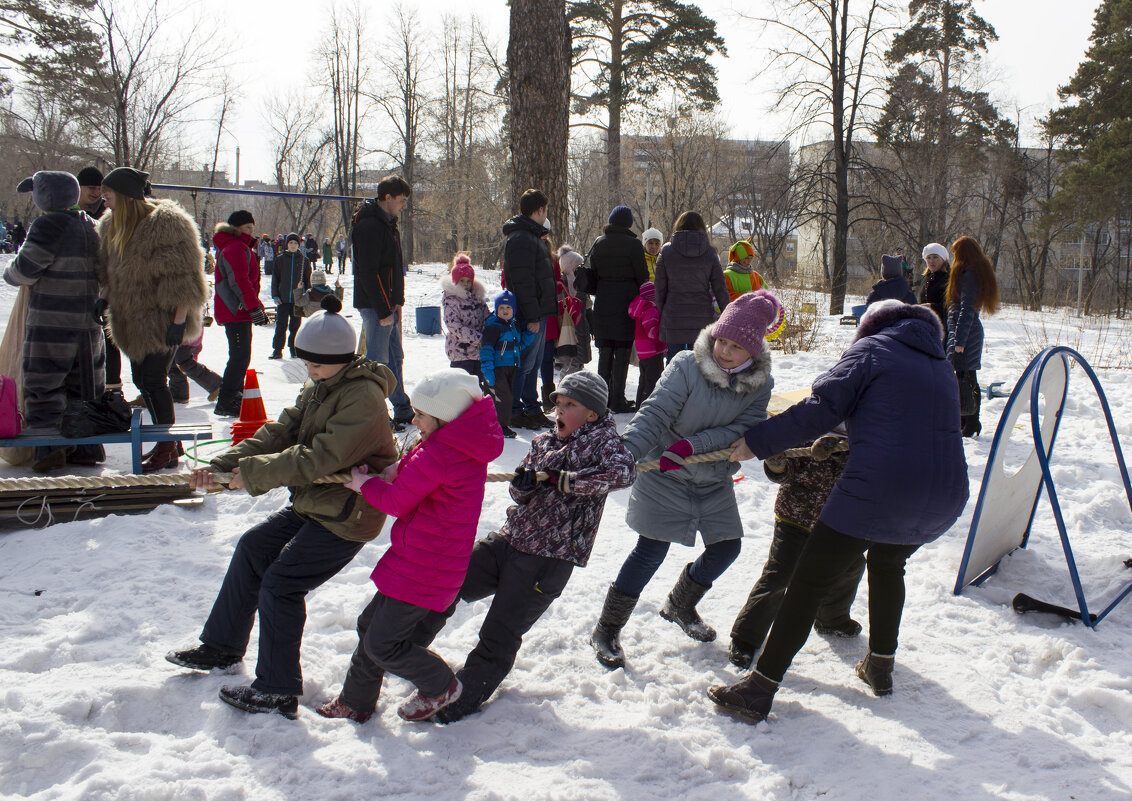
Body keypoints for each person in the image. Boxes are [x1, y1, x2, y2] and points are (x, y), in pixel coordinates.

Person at [707, 299, 969, 723]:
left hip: (880, 488)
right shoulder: (939, 365)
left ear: (871, 325)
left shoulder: (871, 350)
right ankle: (880, 666)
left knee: (808, 583)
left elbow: (821, 407)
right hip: (945, 495)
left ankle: (759, 690)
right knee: (888, 566)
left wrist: (759, 442)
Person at [166, 296, 400, 719]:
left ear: (341, 359)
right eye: (306, 365)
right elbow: (281, 431)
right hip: (316, 502)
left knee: (281, 583)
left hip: (347, 515)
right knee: (254, 547)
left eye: (315, 366)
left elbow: (318, 459)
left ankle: (277, 689)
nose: (308, 373)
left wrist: (252, 475)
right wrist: (226, 463)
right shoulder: (322, 385)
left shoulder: (362, 399)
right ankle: (222, 647)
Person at [408, 372, 635, 722]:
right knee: (446, 586)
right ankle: (408, 652)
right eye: (558, 403)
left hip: (549, 559)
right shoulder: (544, 440)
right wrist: (525, 484)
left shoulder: (603, 443)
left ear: (592, 414)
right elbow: (518, 490)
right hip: (509, 540)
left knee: (500, 630)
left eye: (570, 405)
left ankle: (464, 696)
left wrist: (566, 480)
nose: (559, 410)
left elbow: (623, 474)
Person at [591, 291, 781, 670]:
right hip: (665, 470)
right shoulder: (686, 365)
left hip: (711, 476)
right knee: (651, 550)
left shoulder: (761, 384)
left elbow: (745, 428)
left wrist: (693, 445)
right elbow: (656, 413)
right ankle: (607, 628)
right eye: (721, 340)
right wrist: (626, 453)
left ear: (754, 351)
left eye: (736, 346)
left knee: (727, 548)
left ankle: (680, 603)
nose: (724, 351)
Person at [316, 369, 504, 723]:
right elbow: (422, 479)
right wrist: (396, 471)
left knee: (382, 643)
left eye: (420, 414)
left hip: (425, 567)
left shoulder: (442, 453)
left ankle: (441, 685)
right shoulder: (451, 444)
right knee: (369, 625)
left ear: (444, 416)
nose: (414, 419)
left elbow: (397, 503)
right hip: (419, 558)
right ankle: (356, 700)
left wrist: (363, 485)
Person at [95, 167, 207, 472]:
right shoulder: (111, 226)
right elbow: (108, 271)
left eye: (109, 196)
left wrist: (178, 321)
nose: (105, 202)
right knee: (143, 380)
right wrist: (102, 300)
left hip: (161, 317)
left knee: (155, 380)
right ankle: (169, 444)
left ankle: (166, 445)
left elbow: (184, 278)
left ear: (126, 197)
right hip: (130, 319)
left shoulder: (167, 223)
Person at [727, 431, 865, 670]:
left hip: (836, 519)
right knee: (780, 574)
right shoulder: (809, 422)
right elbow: (785, 471)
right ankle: (745, 637)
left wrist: (843, 451)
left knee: (852, 566)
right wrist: (777, 463)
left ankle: (831, 618)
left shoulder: (863, 427)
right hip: (795, 516)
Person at [4, 171, 104, 471]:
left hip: (52, 322)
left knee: (43, 385)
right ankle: (85, 449)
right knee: (84, 386)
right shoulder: (91, 225)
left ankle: (49, 449)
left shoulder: (48, 225)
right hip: (88, 324)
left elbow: (24, 270)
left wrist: (9, 271)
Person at [352, 175, 413, 427]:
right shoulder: (369, 225)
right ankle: (374, 415)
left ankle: (401, 406)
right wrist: (383, 308)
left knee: (394, 357)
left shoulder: (388, 224)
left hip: (389, 304)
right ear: (386, 198)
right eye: (401, 200)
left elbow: (394, 267)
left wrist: (397, 300)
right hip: (376, 305)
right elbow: (368, 271)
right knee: (377, 362)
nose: (404, 205)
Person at [501, 188, 557, 430]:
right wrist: (532, 315)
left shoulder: (532, 237)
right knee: (524, 364)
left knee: (533, 364)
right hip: (529, 313)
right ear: (539, 210)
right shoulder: (522, 238)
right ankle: (515, 410)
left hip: (539, 311)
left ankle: (532, 407)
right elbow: (524, 283)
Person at [588, 205, 650, 413]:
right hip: (626, 304)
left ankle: (600, 398)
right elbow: (643, 276)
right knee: (622, 353)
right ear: (629, 223)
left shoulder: (599, 242)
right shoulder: (633, 245)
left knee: (605, 353)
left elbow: (593, 273)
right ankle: (617, 399)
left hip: (603, 302)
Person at [212, 210, 270, 416]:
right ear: (236, 228)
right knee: (239, 355)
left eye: (252, 228)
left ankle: (234, 395)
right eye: (248, 228)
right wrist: (253, 307)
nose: (251, 232)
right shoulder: (235, 247)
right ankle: (226, 400)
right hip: (235, 310)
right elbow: (239, 281)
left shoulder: (237, 246)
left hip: (237, 309)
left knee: (240, 354)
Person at [655, 211, 729, 361]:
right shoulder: (710, 253)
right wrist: (728, 314)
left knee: (674, 366)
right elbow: (720, 288)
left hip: (673, 317)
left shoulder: (666, 252)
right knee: (701, 366)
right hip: (702, 318)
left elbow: (659, 288)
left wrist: (662, 313)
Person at [946, 235, 1000, 438]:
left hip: (966, 334)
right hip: (966, 332)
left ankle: (971, 421)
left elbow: (966, 310)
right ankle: (965, 420)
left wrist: (959, 341)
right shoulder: (972, 273)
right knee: (963, 377)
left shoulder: (969, 275)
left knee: (966, 378)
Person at [480, 290, 534, 439]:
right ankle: (498, 426)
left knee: (507, 396)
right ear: (496, 309)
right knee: (502, 397)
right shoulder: (493, 327)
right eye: (501, 308)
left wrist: (530, 335)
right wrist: (488, 370)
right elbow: (486, 349)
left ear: (514, 310)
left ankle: (498, 424)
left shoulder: (514, 327)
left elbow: (519, 346)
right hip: (497, 369)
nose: (505, 311)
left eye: (508, 308)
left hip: (511, 368)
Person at [441, 253, 489, 376]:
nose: (465, 284)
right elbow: (454, 326)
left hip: (478, 353)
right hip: (460, 353)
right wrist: (478, 338)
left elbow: (486, 318)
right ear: (455, 281)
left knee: (478, 388)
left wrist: (488, 334)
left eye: (468, 281)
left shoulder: (478, 299)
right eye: (461, 280)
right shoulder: (451, 300)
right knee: (463, 388)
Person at [270, 233, 311, 360]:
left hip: (297, 300)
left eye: (295, 243)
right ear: (287, 244)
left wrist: (306, 294)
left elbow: (308, 280)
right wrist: (275, 296)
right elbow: (275, 279)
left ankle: (294, 349)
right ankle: (277, 350)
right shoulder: (280, 259)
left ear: (299, 245)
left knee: (295, 325)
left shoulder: (304, 260)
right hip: (283, 298)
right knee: (281, 324)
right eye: (290, 243)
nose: (293, 245)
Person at [555, 245, 591, 377]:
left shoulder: (580, 284)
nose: (580, 270)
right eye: (577, 267)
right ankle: (565, 389)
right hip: (568, 330)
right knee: (570, 362)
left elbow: (587, 306)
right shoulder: (562, 285)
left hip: (581, 328)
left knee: (579, 362)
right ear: (569, 267)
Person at [627, 281, 664, 408]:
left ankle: (640, 405)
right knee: (653, 381)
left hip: (643, 351)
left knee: (643, 380)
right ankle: (648, 408)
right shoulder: (650, 311)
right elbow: (652, 333)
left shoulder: (640, 309)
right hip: (653, 351)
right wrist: (662, 325)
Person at [918, 242, 951, 329]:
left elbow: (951, 307)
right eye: (928, 258)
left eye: (935, 257)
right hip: (926, 327)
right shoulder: (926, 278)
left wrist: (932, 306)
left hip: (943, 327)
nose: (932, 261)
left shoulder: (948, 278)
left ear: (943, 259)